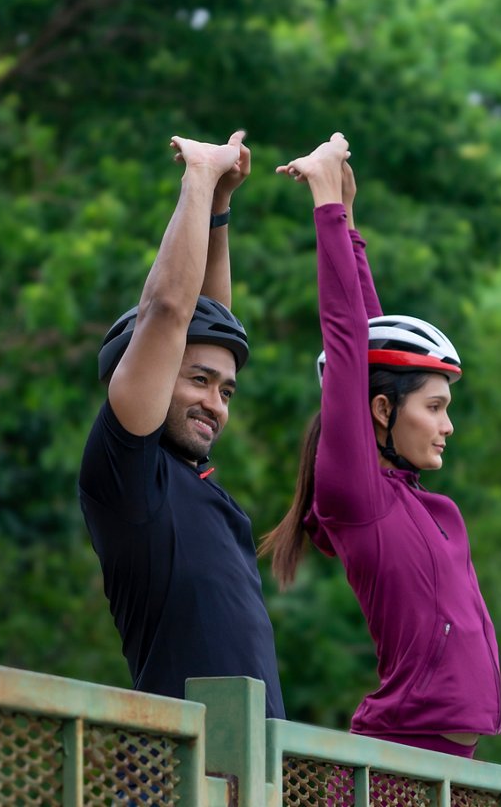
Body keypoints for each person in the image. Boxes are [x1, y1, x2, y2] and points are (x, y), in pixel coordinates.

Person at [262, 133, 501, 757]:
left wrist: (351, 218)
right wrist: (325, 205)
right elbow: (347, 338)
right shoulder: (356, 495)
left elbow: (369, 337)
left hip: (456, 766)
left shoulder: (423, 505)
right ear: (380, 411)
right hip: (399, 765)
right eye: (436, 408)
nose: (448, 426)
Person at [79, 131, 285, 719]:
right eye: (198, 383)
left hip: (251, 768)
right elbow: (170, 313)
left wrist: (219, 209)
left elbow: (211, 322)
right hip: (174, 773)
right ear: (145, 372)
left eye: (225, 391)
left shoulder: (198, 481)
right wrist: (198, 175)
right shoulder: (129, 478)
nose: (216, 403)